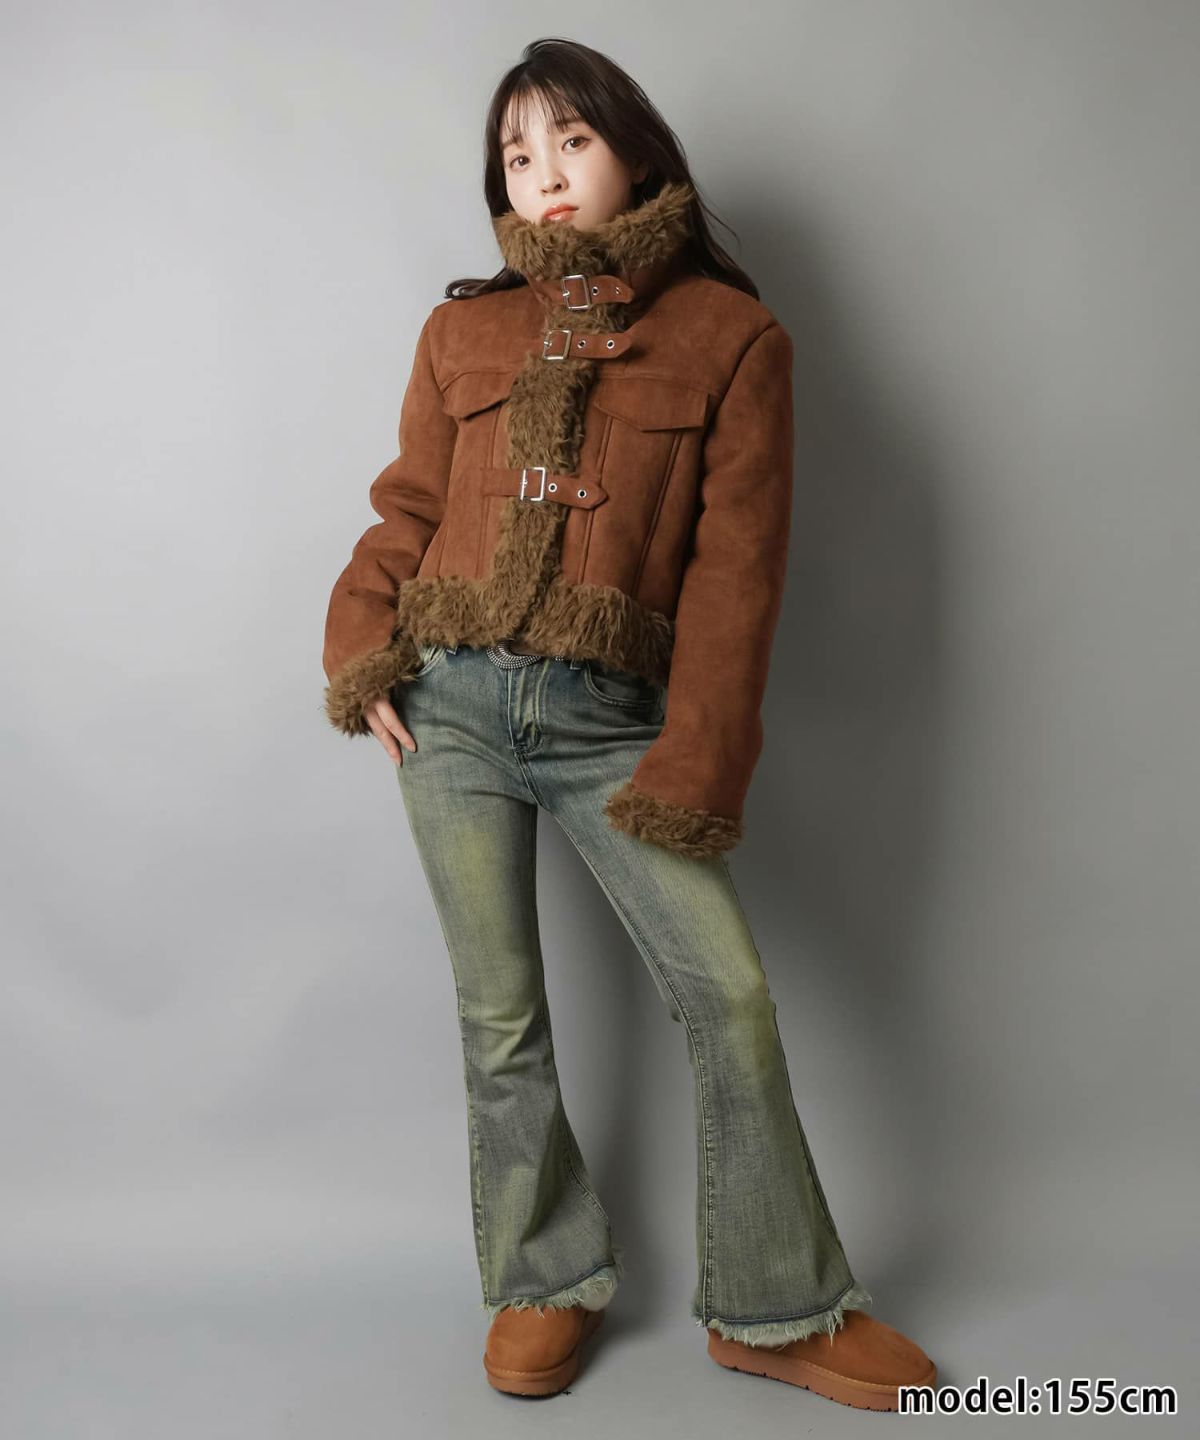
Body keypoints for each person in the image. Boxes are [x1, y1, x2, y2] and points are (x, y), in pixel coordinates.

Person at [320, 37, 936, 1411]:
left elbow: (736, 579)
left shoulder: (733, 339)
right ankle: (541, 1278)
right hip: (453, 706)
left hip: (611, 724)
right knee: (499, 1018)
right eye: (516, 153)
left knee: (731, 998)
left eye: (571, 141)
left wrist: (696, 760)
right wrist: (365, 648)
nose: (542, 173)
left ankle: (775, 1307)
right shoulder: (462, 331)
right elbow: (409, 508)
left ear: (633, 149)